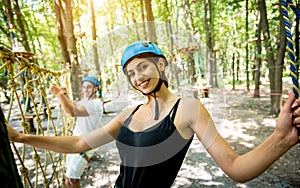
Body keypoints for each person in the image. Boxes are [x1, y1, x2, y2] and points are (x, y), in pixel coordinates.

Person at [6, 40, 300, 188]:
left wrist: (281, 138)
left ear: (161, 65)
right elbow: (79, 144)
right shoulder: (129, 113)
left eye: (143, 67)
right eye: (130, 73)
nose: (137, 78)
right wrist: (20, 137)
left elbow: (236, 167)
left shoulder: (187, 108)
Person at [49, 75, 103, 188]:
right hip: (76, 143)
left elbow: (72, 111)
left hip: (84, 146)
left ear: (96, 89)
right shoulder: (86, 101)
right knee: (68, 180)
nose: (85, 90)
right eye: (84, 87)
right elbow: (72, 106)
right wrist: (65, 95)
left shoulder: (96, 103)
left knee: (71, 181)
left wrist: (58, 94)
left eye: (89, 87)